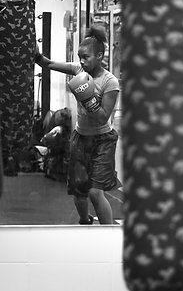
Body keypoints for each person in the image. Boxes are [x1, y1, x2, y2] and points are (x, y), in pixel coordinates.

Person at [35, 25, 120, 225]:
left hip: (102, 140)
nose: (81, 61)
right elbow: (48, 63)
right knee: (79, 189)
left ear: (100, 56)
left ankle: (108, 236)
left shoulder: (110, 82)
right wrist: (35, 54)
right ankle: (84, 221)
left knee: (95, 192)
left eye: (86, 57)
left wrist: (87, 97)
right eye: (79, 56)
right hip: (80, 137)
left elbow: (102, 117)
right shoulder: (78, 70)